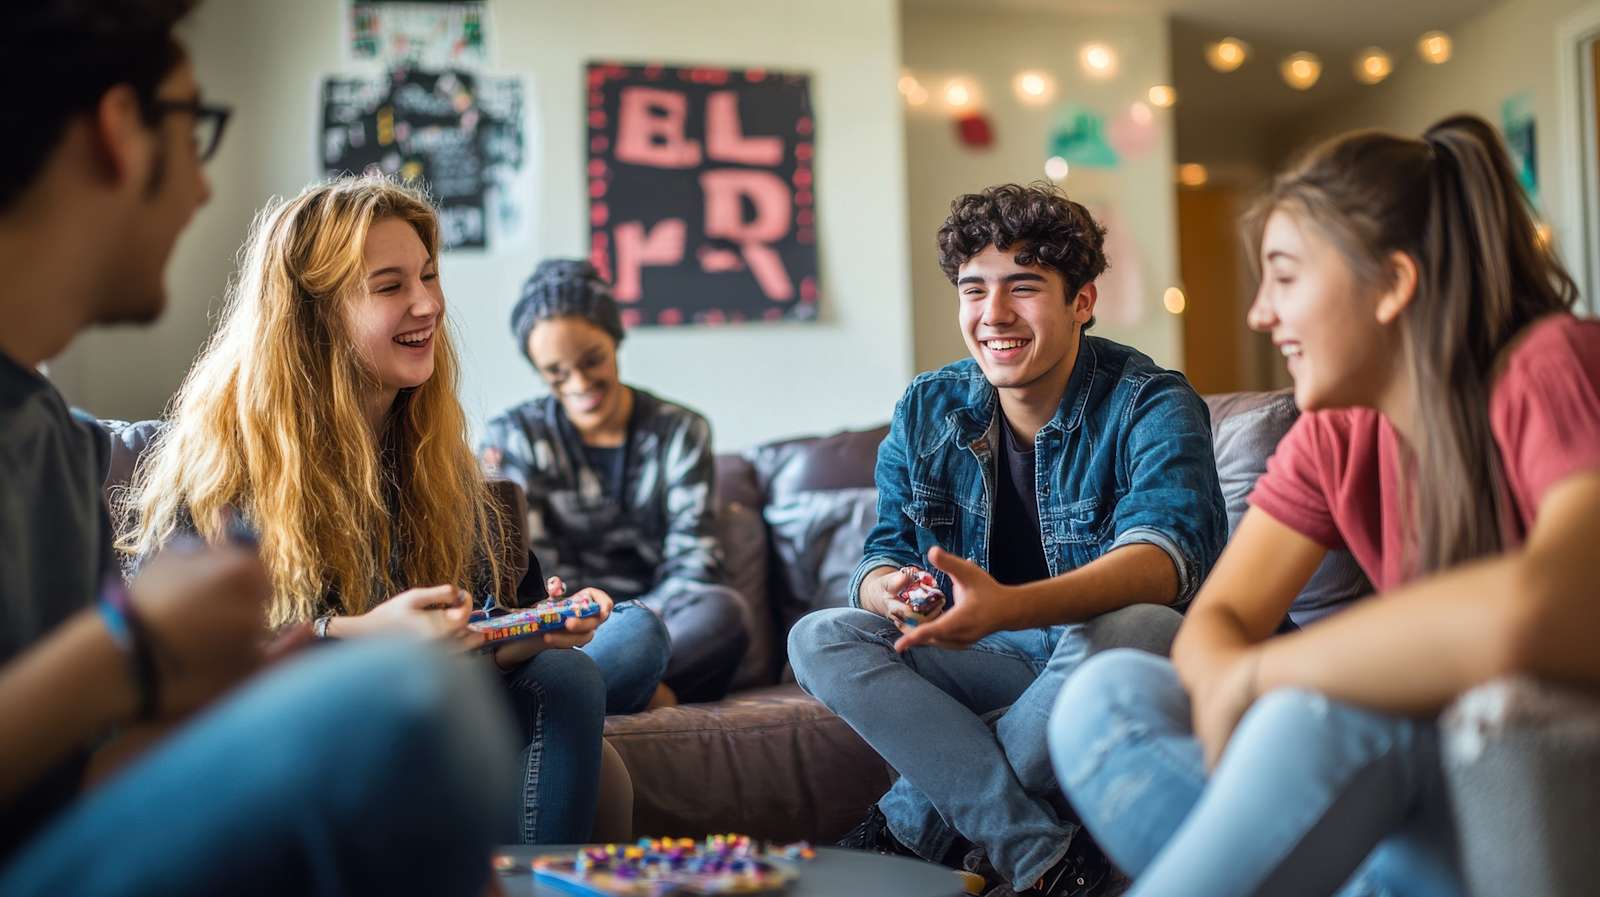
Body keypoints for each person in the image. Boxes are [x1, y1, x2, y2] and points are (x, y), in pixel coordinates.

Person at [0, 3, 514, 894]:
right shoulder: (136, 456)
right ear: (121, 132)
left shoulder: (44, 434)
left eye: (427, 278)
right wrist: (132, 649)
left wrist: (242, 675)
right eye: (194, 130)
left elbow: (83, 780)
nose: (205, 192)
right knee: (401, 709)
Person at [1049, 115, 1600, 897]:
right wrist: (1238, 676)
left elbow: (1547, 608)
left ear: (1393, 284)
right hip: (1415, 799)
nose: (1260, 314)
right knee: (1104, 698)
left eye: (1285, 275)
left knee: (1312, 715)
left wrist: (1260, 676)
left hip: (1538, 776)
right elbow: (1220, 618)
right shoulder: (1334, 435)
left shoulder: (1549, 364)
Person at [119, 176, 609, 845]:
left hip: (429, 703)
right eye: (390, 286)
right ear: (314, 314)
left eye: (429, 276)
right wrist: (357, 635)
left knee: (574, 668)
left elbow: (457, 642)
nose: (427, 303)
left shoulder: (435, 453)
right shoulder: (223, 460)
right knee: (618, 666)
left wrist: (510, 638)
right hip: (296, 722)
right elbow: (175, 658)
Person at [788, 183, 1227, 897]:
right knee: (821, 636)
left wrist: (1011, 606)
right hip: (994, 656)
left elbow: (1166, 560)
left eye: (1023, 288)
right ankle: (1045, 857)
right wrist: (888, 589)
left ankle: (905, 830)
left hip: (1097, 654)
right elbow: (882, 551)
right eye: (973, 290)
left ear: (1081, 301)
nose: (993, 315)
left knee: (1144, 624)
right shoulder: (928, 405)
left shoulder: (1151, 401)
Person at [480, 259, 748, 710]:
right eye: (556, 372)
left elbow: (694, 563)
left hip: (656, 621)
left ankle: (613, 685)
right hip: (559, 631)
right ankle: (646, 691)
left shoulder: (681, 431)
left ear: (615, 339)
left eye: (592, 360)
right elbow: (522, 584)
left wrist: (634, 626)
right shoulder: (512, 437)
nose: (581, 383)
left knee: (723, 613)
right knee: (604, 643)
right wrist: (576, 622)